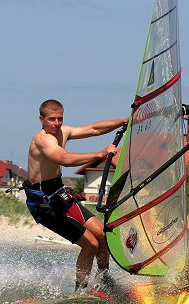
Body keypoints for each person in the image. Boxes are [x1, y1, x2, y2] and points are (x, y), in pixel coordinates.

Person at [25, 99, 128, 291]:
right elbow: (63, 158)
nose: (56, 123)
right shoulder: (43, 140)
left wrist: (123, 121)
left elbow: (94, 128)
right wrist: (99, 154)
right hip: (43, 202)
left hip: (59, 193)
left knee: (102, 234)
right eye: (52, 119)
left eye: (60, 119)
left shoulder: (63, 132)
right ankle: (80, 290)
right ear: (41, 119)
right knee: (90, 244)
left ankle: (105, 279)